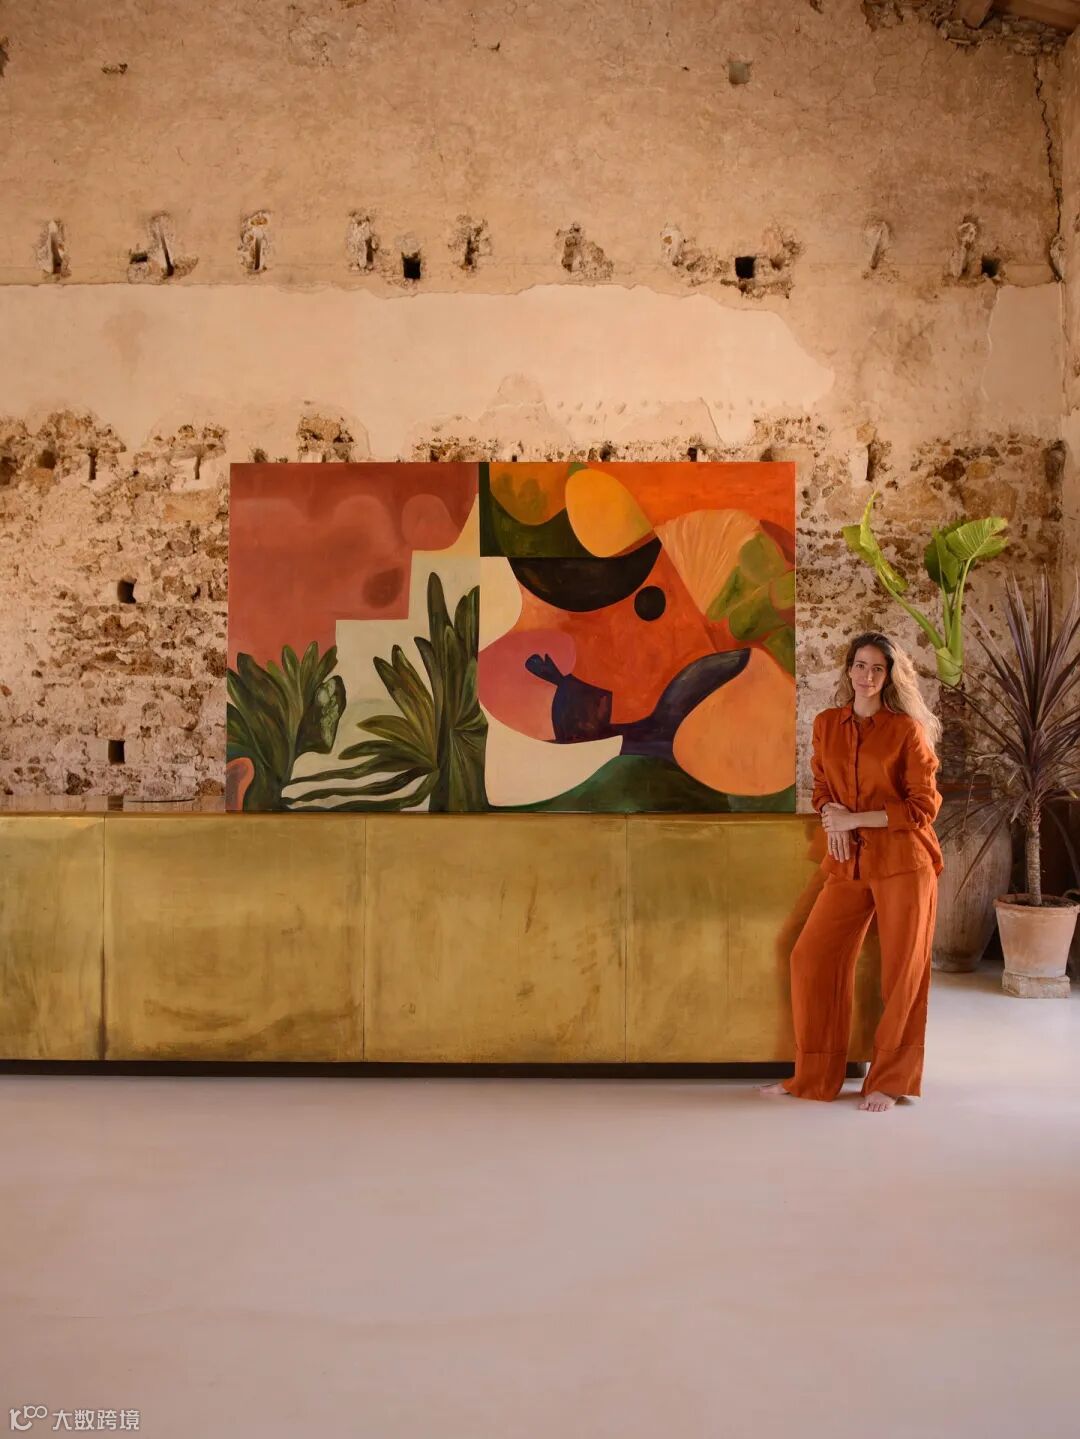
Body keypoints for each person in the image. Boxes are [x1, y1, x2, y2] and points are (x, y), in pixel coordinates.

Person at [759, 631, 943, 1112]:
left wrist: (853, 819)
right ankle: (814, 1076)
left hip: (904, 863)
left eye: (878, 668)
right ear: (848, 669)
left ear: (890, 676)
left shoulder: (906, 731)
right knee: (811, 957)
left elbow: (923, 808)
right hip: (849, 862)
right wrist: (830, 815)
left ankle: (890, 1081)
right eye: (860, 665)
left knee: (902, 973)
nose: (867, 676)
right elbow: (821, 785)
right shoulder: (826, 724)